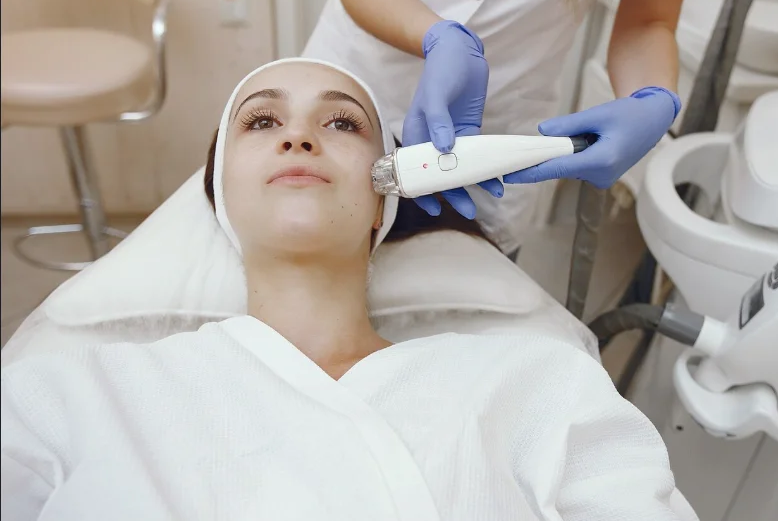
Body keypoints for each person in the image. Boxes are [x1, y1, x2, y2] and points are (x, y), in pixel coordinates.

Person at [1, 58, 695, 520]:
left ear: (383, 199)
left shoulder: (538, 383)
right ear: (220, 195)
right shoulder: (71, 395)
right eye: (262, 121)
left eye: (341, 123)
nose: (299, 136)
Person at [303, 0, 742, 255]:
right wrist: (435, 36)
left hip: (497, 135)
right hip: (353, 86)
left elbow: (650, 20)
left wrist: (653, 100)